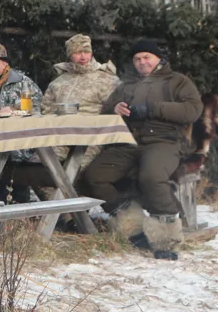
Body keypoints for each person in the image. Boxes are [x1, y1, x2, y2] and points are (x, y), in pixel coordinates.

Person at [77, 39, 201, 260]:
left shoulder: (177, 81)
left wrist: (153, 109)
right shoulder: (127, 85)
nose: (142, 62)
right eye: (137, 59)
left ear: (158, 59)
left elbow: (192, 110)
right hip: (127, 141)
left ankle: (166, 240)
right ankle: (131, 225)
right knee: (93, 177)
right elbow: (105, 112)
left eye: (147, 57)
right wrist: (114, 108)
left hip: (164, 141)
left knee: (151, 176)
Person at [3, 34, 119, 203]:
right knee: (44, 165)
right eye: (77, 52)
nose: (82, 56)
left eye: (86, 51)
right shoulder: (58, 83)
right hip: (58, 136)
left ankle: (69, 212)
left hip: (91, 137)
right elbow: (46, 110)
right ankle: (64, 215)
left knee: (72, 169)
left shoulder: (107, 80)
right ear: (69, 55)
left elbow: (113, 112)